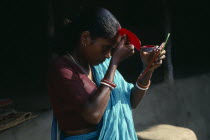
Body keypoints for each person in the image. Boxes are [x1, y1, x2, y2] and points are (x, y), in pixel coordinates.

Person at [48, 7, 166, 140]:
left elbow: (131, 101)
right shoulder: (62, 69)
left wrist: (148, 68)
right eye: (105, 48)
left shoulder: (100, 66)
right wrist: (115, 62)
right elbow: (93, 114)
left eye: (112, 49)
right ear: (85, 38)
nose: (109, 55)